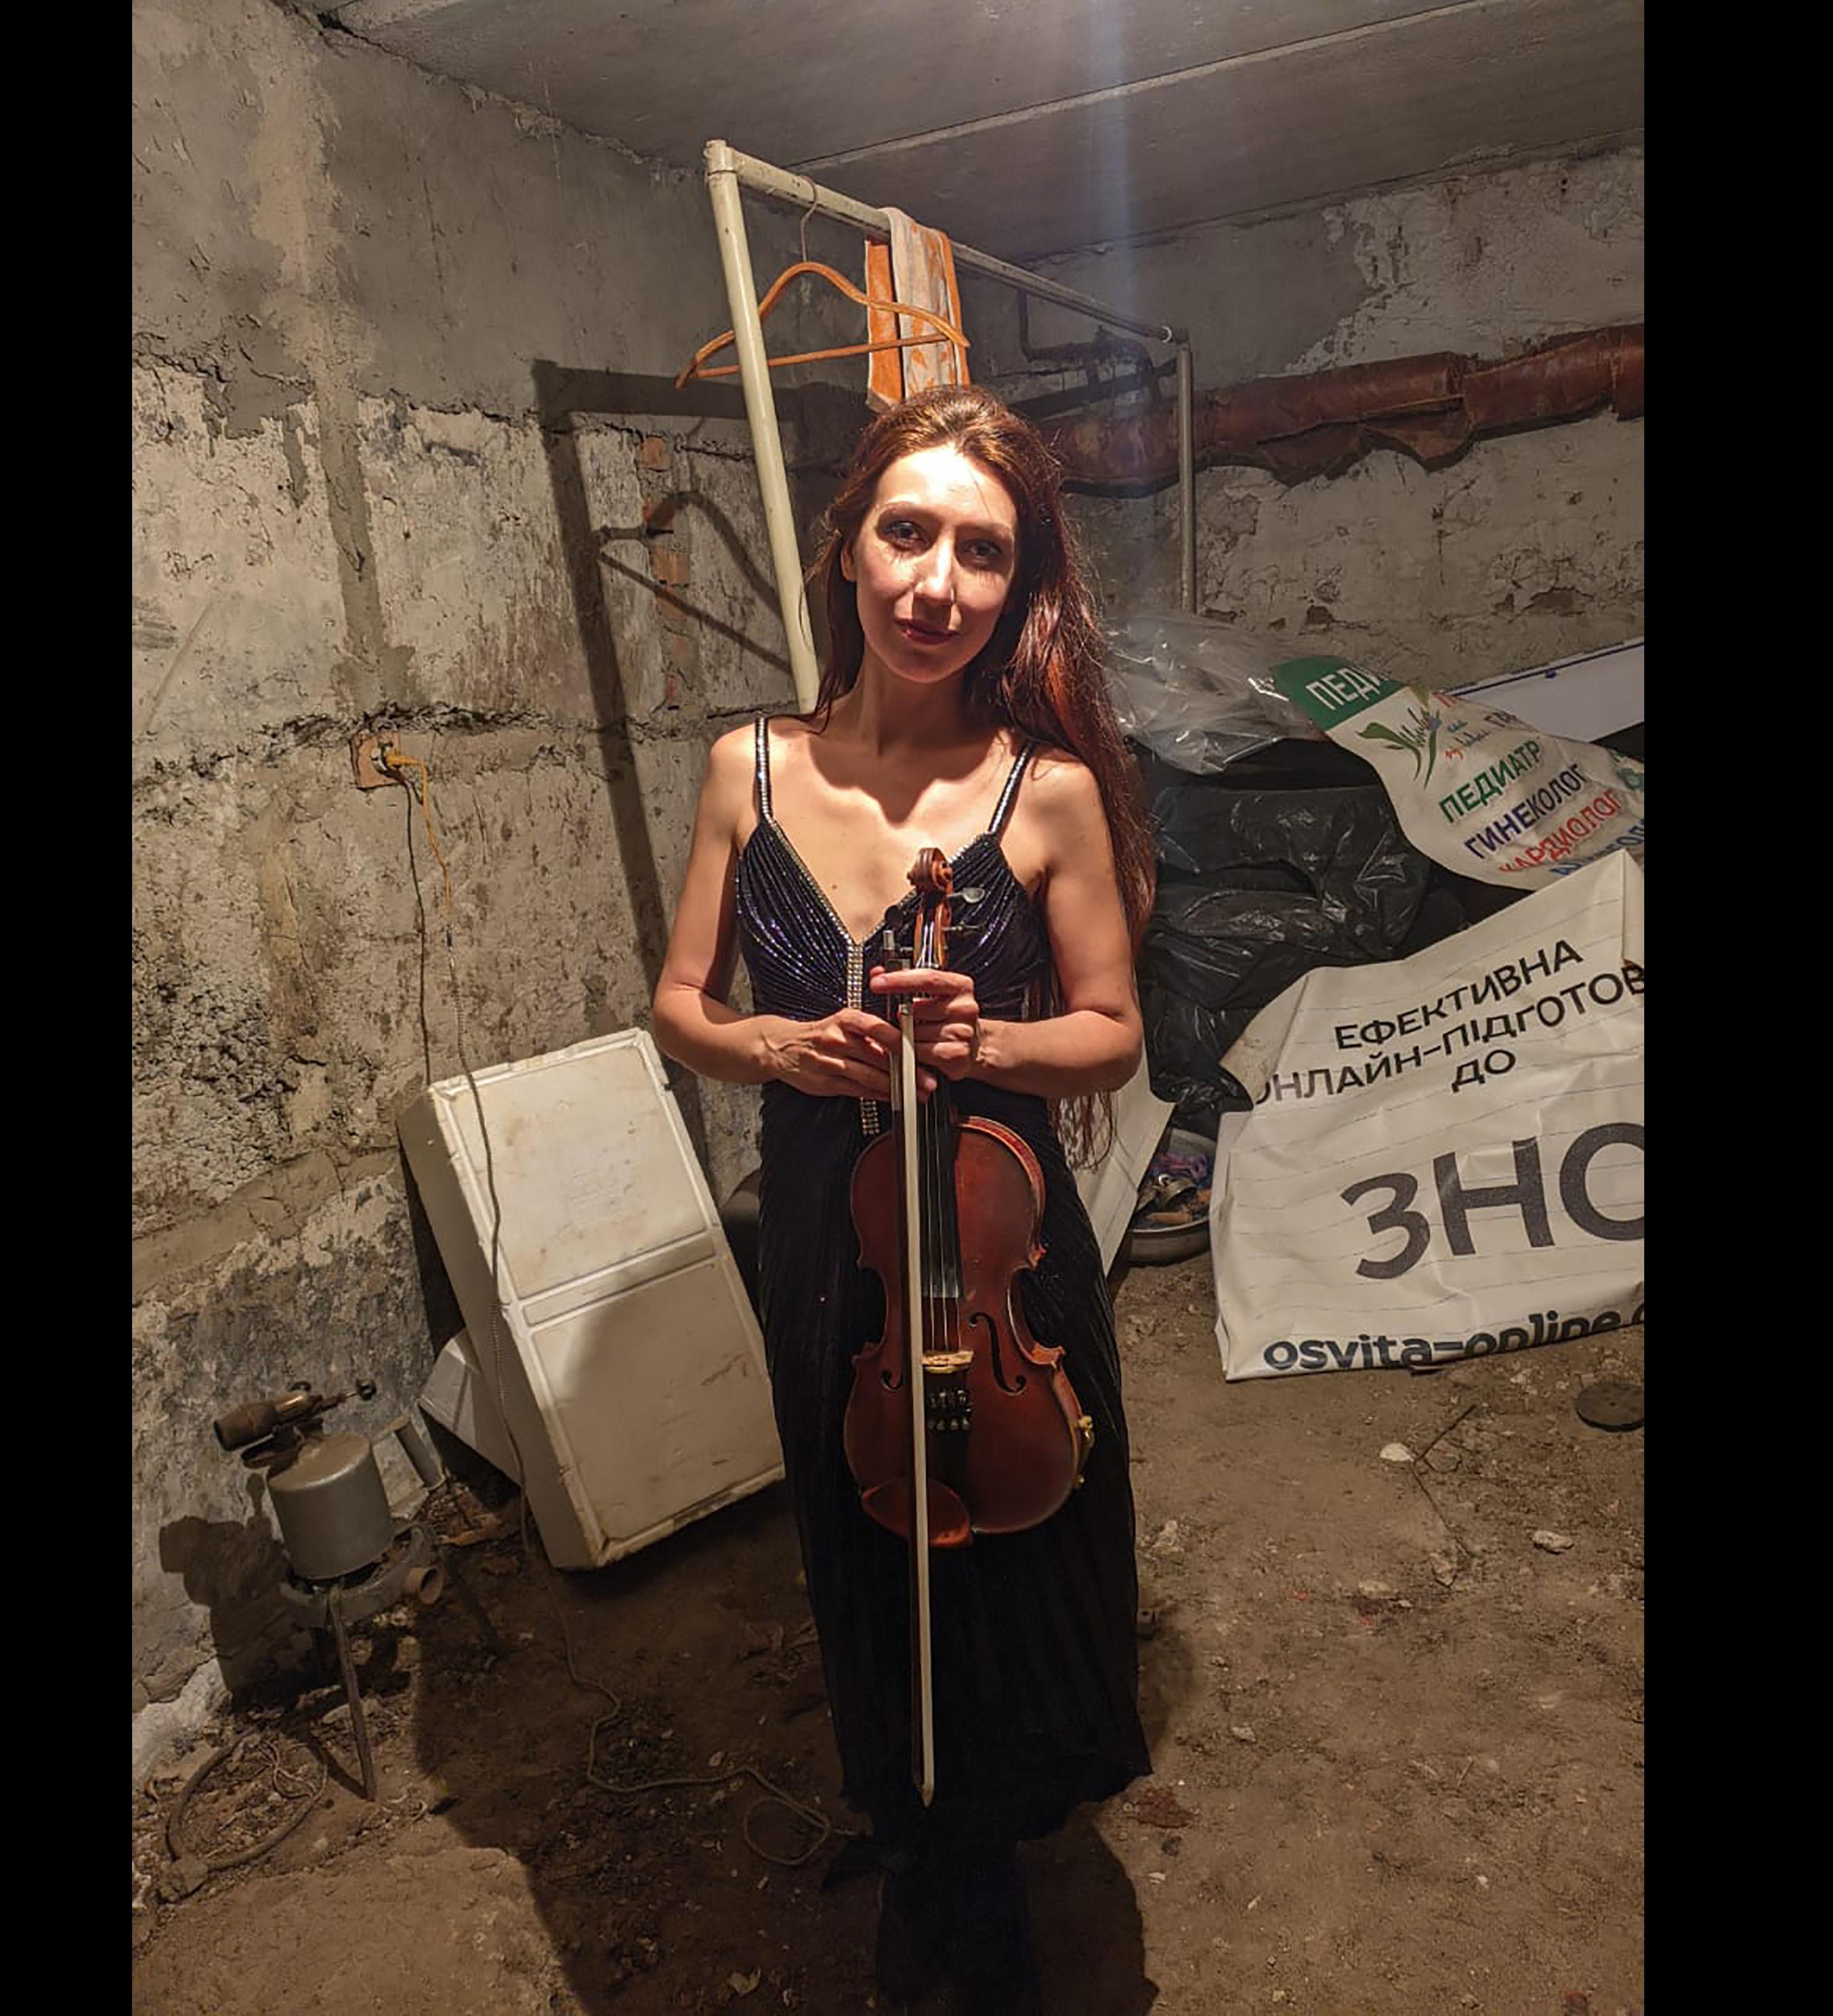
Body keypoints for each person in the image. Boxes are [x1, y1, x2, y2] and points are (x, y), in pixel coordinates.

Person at [652, 384, 1155, 2013]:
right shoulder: (745, 765)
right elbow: (678, 1004)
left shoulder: (1048, 791)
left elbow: (1112, 1033)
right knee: (856, 1521)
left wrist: (988, 1035)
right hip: (825, 1224)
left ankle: (990, 1842)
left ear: (1023, 587)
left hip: (996, 1231)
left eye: (984, 552)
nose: (938, 581)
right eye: (909, 531)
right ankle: (904, 1803)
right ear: (846, 545)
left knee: (1015, 1530)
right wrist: (777, 1045)